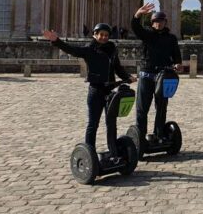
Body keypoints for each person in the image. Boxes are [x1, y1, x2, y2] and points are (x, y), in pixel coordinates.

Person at [43, 24, 136, 159]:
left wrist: (127, 77)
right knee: (93, 124)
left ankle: (114, 151)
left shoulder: (112, 49)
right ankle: (90, 155)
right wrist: (56, 41)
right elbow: (72, 50)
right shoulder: (89, 49)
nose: (103, 37)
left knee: (111, 123)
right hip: (95, 90)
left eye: (106, 35)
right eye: (101, 34)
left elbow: (118, 67)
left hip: (110, 90)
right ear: (95, 34)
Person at [131, 3, 183, 143]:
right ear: (152, 23)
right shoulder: (147, 34)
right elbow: (135, 28)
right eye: (155, 21)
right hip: (146, 75)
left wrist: (178, 63)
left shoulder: (171, 38)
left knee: (161, 107)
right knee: (142, 108)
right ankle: (141, 137)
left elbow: (176, 55)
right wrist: (137, 15)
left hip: (163, 75)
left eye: (160, 21)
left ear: (165, 22)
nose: (158, 24)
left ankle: (159, 134)